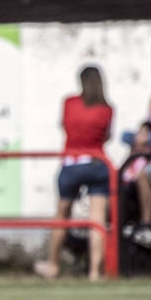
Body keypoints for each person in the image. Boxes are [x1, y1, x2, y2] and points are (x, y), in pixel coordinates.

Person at [34, 66, 113, 281]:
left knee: (62, 216)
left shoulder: (69, 103)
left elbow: (65, 127)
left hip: (72, 162)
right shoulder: (106, 109)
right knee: (97, 220)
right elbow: (107, 136)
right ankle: (95, 272)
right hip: (98, 162)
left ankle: (53, 266)